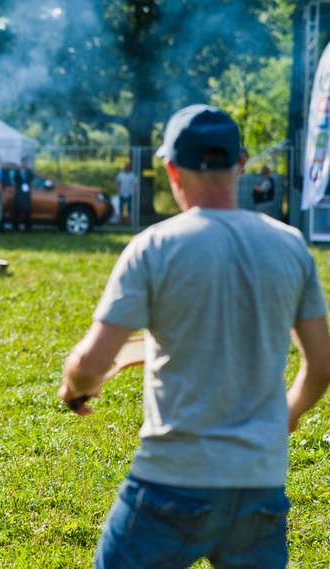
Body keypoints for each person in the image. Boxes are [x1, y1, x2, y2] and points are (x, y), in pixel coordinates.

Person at [58, 104, 330, 568]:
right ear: (240, 164)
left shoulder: (155, 246)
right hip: (259, 487)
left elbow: (90, 363)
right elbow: (322, 367)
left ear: (172, 170)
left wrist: (74, 387)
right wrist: (288, 412)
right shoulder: (290, 245)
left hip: (170, 486)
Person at [12, 156, 33, 231]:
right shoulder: (18, 172)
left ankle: (27, 227)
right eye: (24, 161)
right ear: (22, 162)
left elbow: (31, 182)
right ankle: (16, 227)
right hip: (19, 193)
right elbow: (15, 182)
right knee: (17, 210)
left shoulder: (29, 172)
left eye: (26, 162)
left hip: (26, 194)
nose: (25, 163)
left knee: (27, 210)